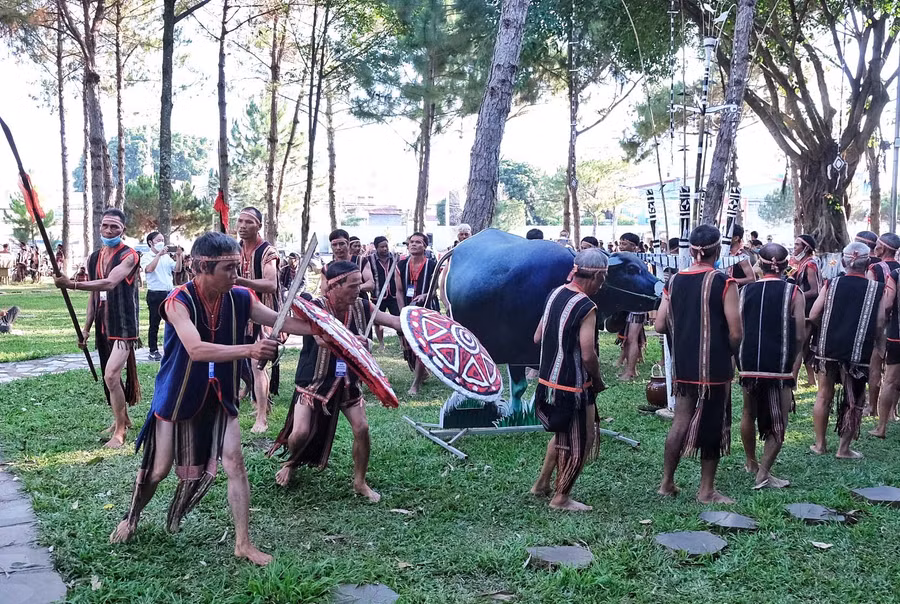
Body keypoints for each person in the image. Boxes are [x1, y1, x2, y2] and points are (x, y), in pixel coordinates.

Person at [109, 232, 316, 566]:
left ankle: (243, 544)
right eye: (228, 268)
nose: (236, 275)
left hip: (220, 392)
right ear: (201, 267)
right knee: (159, 469)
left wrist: (323, 324)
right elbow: (196, 349)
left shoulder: (241, 297)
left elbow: (287, 322)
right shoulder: (178, 300)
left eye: (237, 267)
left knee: (235, 462)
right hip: (178, 394)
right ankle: (132, 517)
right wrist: (250, 349)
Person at [270, 261, 403, 502]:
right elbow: (319, 337)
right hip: (314, 381)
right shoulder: (315, 309)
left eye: (359, 285)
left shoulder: (363, 306)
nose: (358, 290)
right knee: (299, 433)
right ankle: (291, 463)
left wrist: (419, 325)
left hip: (348, 380)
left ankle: (360, 482)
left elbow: (393, 321)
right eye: (353, 286)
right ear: (334, 286)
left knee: (362, 428)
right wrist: (347, 341)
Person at [655, 225, 742, 503]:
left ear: (692, 250)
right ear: (718, 249)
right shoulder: (723, 281)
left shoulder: (674, 281)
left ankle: (667, 483)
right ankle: (706, 490)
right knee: (713, 424)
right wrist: (728, 353)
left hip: (684, 366)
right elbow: (736, 331)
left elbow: (658, 324)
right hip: (714, 367)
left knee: (680, 420)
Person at [54, 208, 141, 449]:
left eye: (115, 227)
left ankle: (120, 432)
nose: (109, 230)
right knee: (110, 378)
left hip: (124, 326)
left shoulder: (130, 255)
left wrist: (70, 284)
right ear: (99, 227)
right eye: (105, 226)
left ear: (123, 230)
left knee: (111, 375)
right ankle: (120, 420)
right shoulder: (94, 257)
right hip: (103, 324)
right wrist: (86, 329)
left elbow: (110, 283)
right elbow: (95, 296)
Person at [530, 249, 608, 512]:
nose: (603, 283)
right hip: (573, 386)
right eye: (603, 277)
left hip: (548, 383)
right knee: (581, 439)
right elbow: (588, 353)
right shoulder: (586, 306)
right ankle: (561, 497)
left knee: (563, 433)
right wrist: (597, 379)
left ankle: (542, 484)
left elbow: (537, 337)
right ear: (597, 275)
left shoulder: (555, 293)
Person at [808, 242, 890, 459]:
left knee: (824, 394)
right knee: (854, 399)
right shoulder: (876, 289)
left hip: (829, 346)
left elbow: (814, 314)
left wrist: (827, 329)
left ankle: (820, 444)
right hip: (859, 349)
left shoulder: (831, 283)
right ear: (867, 263)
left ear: (844, 261)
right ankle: (843, 449)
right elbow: (881, 321)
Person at [737, 244, 805, 489]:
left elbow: (738, 329)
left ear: (760, 265)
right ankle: (763, 475)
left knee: (748, 412)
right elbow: (798, 335)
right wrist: (794, 360)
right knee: (779, 421)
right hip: (778, 366)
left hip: (748, 363)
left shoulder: (744, 292)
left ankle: (750, 462)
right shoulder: (794, 292)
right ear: (786, 266)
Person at [235, 207, 281, 434]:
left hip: (262, 316)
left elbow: (271, 284)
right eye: (240, 221)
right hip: (238, 315)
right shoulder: (235, 249)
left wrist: (239, 281)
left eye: (249, 222)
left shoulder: (267, 252)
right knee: (236, 361)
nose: (243, 225)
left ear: (259, 226)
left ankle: (261, 416)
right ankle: (252, 398)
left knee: (257, 365)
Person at [398, 232, 439, 394]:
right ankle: (421, 373)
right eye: (411, 242)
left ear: (425, 246)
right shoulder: (401, 265)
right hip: (408, 309)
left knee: (422, 344)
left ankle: (415, 384)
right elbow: (399, 291)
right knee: (408, 346)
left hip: (426, 310)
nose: (413, 244)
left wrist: (426, 295)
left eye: (418, 242)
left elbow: (434, 288)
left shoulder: (432, 265)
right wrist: (402, 311)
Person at [865, 233, 900, 418]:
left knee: (875, 367)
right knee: (895, 371)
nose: (875, 247)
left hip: (880, 323)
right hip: (897, 325)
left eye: (877, 244)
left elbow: (869, 299)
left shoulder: (874, 268)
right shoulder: (899, 269)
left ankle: (872, 407)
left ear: (883, 248)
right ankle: (892, 411)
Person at [142, 232, 182, 362]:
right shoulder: (147, 256)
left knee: (173, 321)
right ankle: (153, 350)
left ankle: (172, 347)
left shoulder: (167, 257)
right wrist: (158, 255)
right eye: (158, 240)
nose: (161, 242)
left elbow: (177, 269)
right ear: (150, 242)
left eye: (162, 240)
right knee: (154, 323)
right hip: (155, 293)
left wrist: (179, 256)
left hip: (169, 292)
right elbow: (149, 269)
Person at [788, 234, 821, 387]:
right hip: (802, 307)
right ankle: (811, 380)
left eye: (797, 245)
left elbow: (815, 290)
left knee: (799, 345)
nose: (794, 248)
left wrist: (795, 296)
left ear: (806, 248)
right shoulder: (800, 263)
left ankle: (793, 381)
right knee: (805, 347)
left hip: (807, 310)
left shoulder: (810, 264)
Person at [361, 236, 402, 350]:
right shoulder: (369, 260)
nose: (385, 249)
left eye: (386, 246)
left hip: (394, 295)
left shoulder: (396, 258)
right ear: (376, 247)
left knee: (399, 318)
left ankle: (402, 343)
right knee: (377, 321)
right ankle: (381, 344)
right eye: (382, 247)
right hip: (377, 295)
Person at [615, 233, 646, 380]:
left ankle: (631, 371)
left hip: (637, 305)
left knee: (632, 338)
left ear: (634, 246)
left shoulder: (637, 263)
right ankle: (629, 367)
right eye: (620, 243)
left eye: (624, 244)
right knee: (628, 338)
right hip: (629, 304)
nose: (621, 246)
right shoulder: (623, 260)